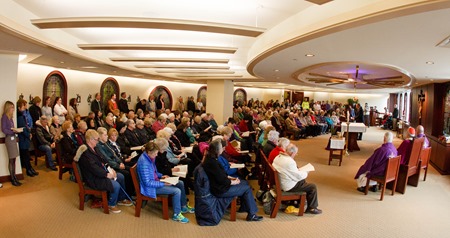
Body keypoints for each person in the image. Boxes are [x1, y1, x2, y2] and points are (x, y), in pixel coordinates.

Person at [202, 138, 263, 222]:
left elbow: (221, 175)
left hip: (219, 186)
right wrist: (233, 182)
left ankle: (246, 208)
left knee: (245, 184)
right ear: (217, 149)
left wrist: (230, 178)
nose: (223, 149)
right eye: (221, 148)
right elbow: (221, 180)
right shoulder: (213, 162)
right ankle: (251, 214)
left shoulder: (211, 159)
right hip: (220, 190)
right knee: (247, 188)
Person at [75, 129, 132, 214]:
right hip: (93, 178)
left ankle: (121, 198)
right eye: (96, 139)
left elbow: (104, 160)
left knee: (120, 176)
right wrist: (107, 174)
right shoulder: (85, 153)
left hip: (100, 173)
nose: (98, 141)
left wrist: (110, 169)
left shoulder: (94, 148)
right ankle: (111, 204)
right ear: (90, 140)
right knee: (115, 185)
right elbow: (93, 168)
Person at [137, 141, 194, 223]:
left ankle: (183, 206)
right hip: (151, 188)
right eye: (155, 153)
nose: (157, 155)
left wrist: (161, 176)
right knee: (176, 191)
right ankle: (176, 215)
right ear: (149, 152)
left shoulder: (149, 157)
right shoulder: (144, 163)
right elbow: (147, 183)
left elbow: (154, 172)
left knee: (180, 183)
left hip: (156, 181)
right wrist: (163, 183)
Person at [272, 144, 322, 214]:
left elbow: (291, 173)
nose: (295, 155)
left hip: (280, 182)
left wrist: (298, 171)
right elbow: (298, 176)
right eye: (296, 154)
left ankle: (298, 202)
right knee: (312, 187)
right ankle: (312, 208)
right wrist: (306, 172)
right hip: (287, 186)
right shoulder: (289, 162)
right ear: (292, 153)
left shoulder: (278, 157)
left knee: (303, 182)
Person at [2, 101, 22, 186]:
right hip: (9, 139)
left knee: (14, 159)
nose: (13, 109)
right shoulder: (4, 117)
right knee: (11, 159)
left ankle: (15, 177)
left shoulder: (11, 117)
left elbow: (11, 128)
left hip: (13, 139)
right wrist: (12, 131)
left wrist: (16, 130)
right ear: (8, 108)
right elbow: (4, 129)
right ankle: (12, 178)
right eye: (12, 107)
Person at [17, 99, 39, 178]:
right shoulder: (19, 116)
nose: (25, 107)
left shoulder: (23, 115)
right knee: (25, 156)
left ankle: (30, 168)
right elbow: (22, 128)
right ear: (19, 108)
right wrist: (28, 134)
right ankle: (28, 170)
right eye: (23, 106)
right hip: (23, 138)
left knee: (27, 155)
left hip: (25, 137)